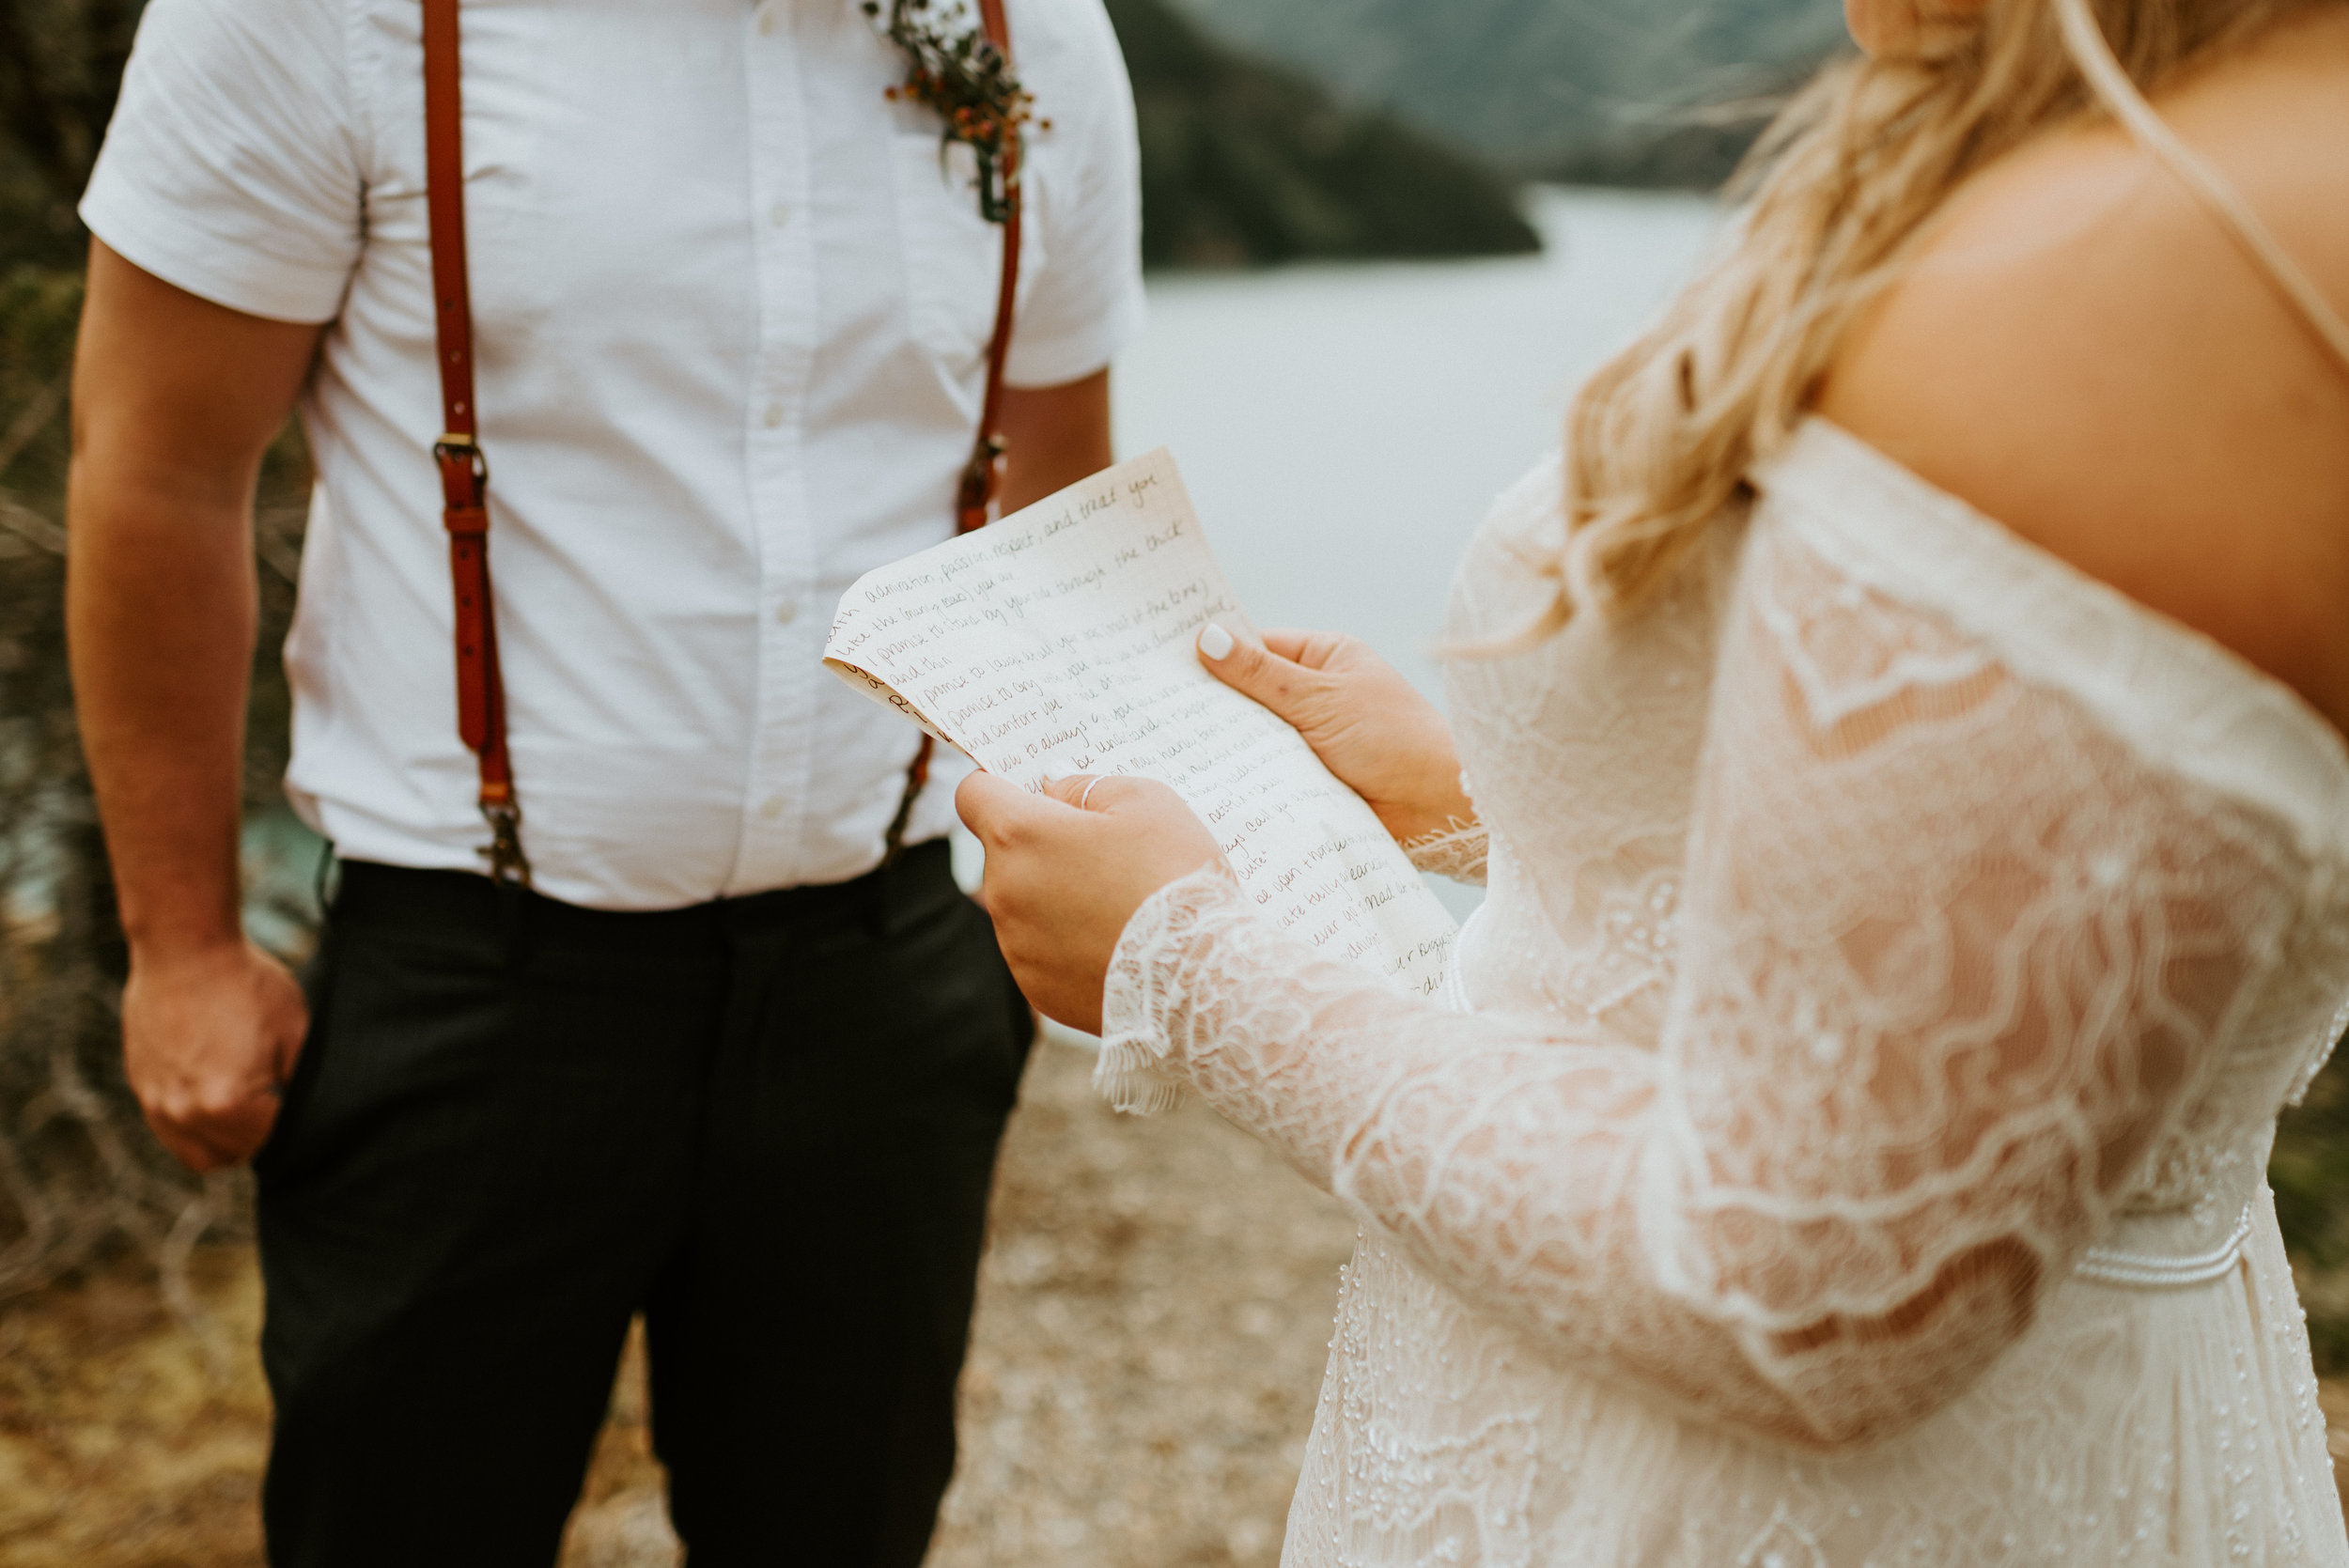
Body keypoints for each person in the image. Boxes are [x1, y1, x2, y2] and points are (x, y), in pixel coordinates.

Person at [958, 0, 2349, 1560]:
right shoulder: (2129, 150)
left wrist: (1189, 964)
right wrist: (1489, 811)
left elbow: (1816, 1285)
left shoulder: (2163, 262)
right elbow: (2015, 934)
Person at [65, 0, 1142, 1562]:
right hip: (472, 987)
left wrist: (1095, 881)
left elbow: (1058, 489)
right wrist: (180, 947)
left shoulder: (1029, 27)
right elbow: (156, 467)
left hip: (885, 984)